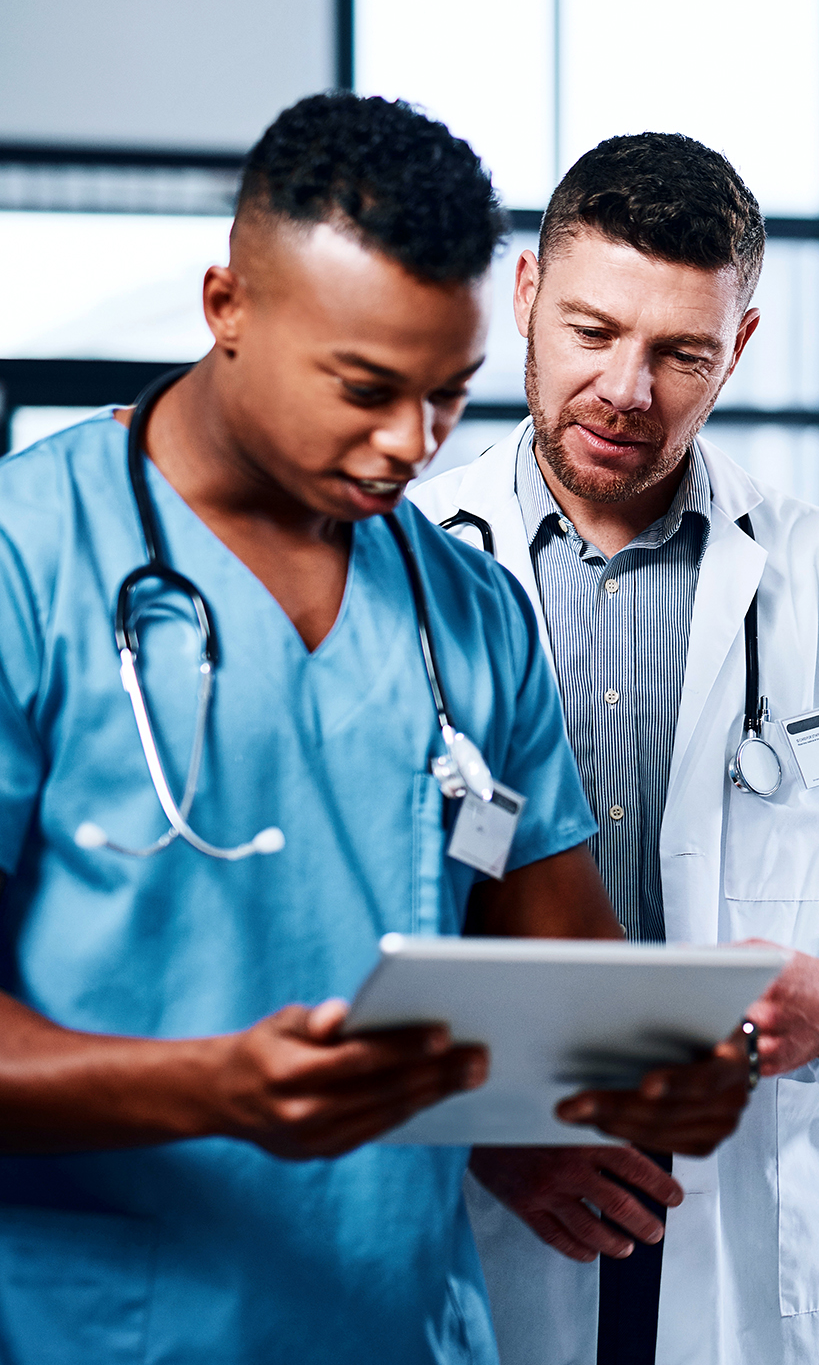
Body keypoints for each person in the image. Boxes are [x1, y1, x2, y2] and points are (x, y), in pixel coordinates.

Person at [0, 94, 750, 1365]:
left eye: (449, 395)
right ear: (226, 305)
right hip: (105, 1328)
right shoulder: (32, 565)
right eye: (364, 388)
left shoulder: (464, 610)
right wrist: (211, 1089)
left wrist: (657, 1070)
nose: (410, 444)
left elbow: (575, 994)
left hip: (406, 1326)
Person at [412, 132, 819, 1365]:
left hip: (741, 1209)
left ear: (740, 346)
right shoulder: (399, 564)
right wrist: (474, 1124)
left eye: (680, 352)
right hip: (474, 1197)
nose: (628, 390)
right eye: (590, 332)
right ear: (524, 298)